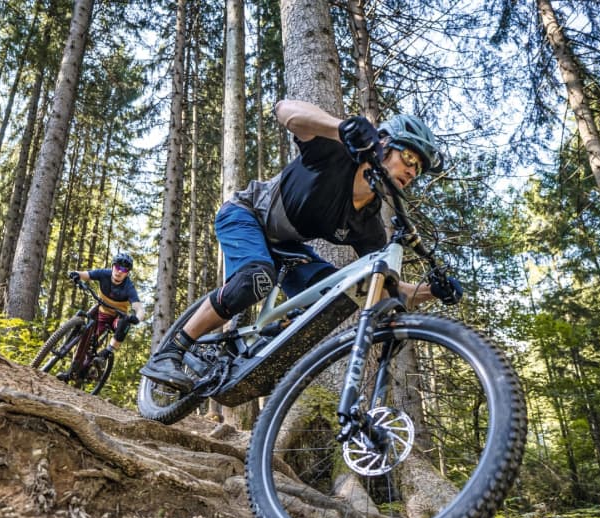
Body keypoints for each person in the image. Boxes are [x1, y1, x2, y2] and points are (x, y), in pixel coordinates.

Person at [141, 100, 463, 391]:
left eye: (418, 168)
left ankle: (261, 348)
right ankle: (171, 351)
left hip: (288, 248)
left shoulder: (367, 222)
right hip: (245, 214)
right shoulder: (335, 155)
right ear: (383, 144)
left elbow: (384, 288)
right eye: (409, 157)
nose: (412, 170)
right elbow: (285, 111)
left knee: (341, 293)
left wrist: (431, 291)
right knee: (256, 276)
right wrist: (340, 128)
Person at [67, 251, 144, 364]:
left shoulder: (129, 287)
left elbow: (139, 308)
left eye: (124, 270)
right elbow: (86, 274)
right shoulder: (104, 274)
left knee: (125, 321)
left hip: (116, 318)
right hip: (101, 312)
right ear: (112, 266)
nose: (119, 272)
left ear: (127, 273)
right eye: (117, 267)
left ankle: (107, 352)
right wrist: (75, 274)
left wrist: (137, 318)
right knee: (85, 331)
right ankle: (73, 365)